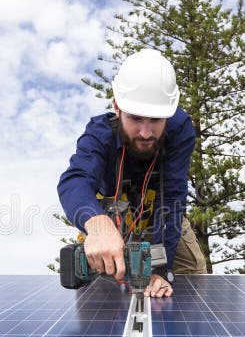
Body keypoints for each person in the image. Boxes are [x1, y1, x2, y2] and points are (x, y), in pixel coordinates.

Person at [58, 49, 206, 297]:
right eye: (136, 118)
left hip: (163, 216)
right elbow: (75, 180)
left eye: (156, 120)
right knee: (99, 297)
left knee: (193, 280)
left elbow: (171, 197)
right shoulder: (99, 134)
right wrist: (98, 226)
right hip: (113, 221)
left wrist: (161, 267)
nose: (146, 133)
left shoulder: (180, 130)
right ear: (117, 107)